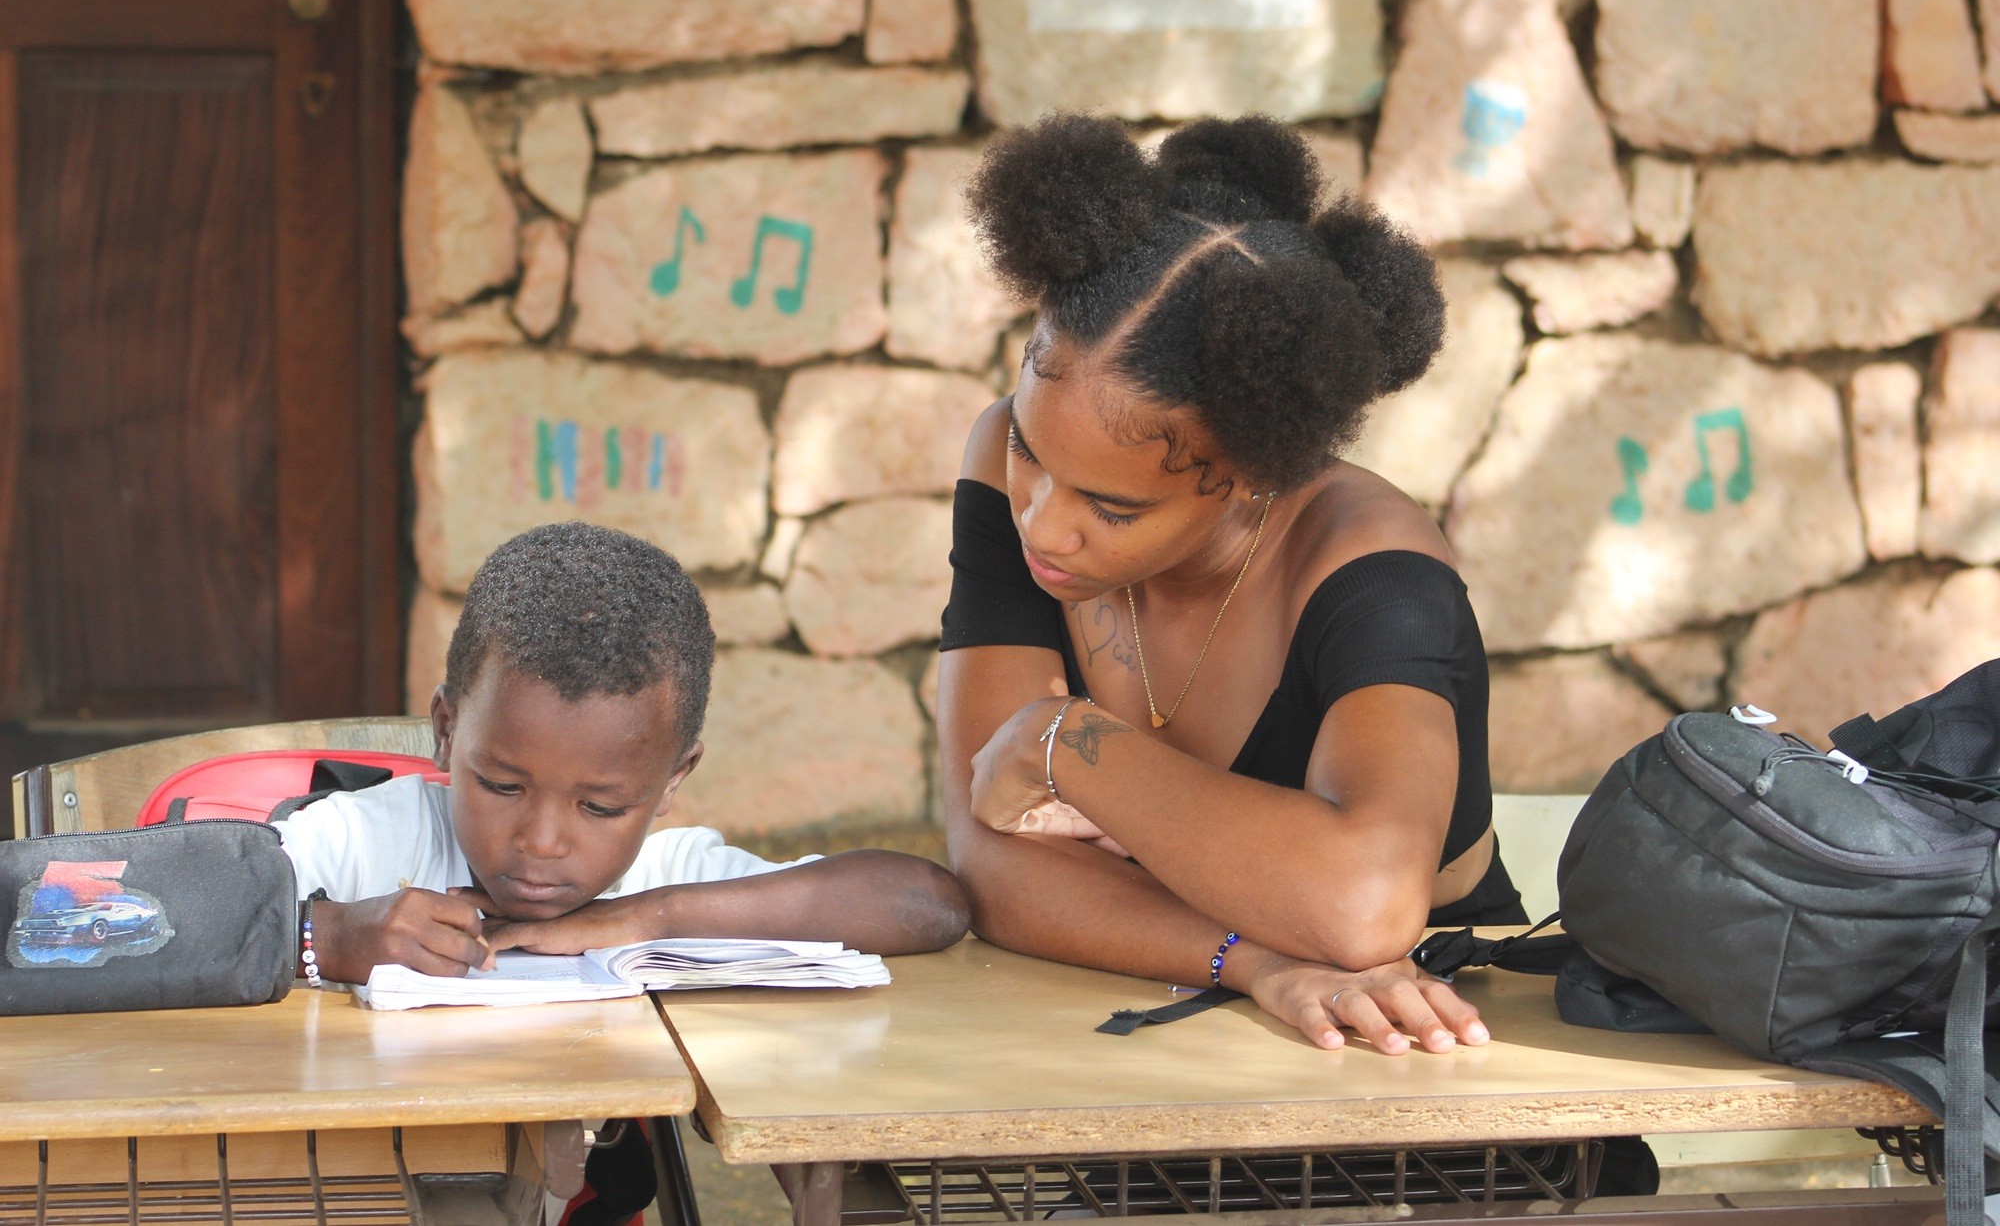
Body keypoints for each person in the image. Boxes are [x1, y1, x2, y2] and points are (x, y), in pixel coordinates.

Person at [939, 113, 1516, 1058]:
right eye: (1028, 452)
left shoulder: (1375, 570)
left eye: (1111, 508)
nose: (1040, 522)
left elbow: (1363, 907)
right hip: (1161, 1027)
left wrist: (1062, 739)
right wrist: (1255, 962)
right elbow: (990, 862)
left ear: (1253, 474)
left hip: (1430, 1046)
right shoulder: (1010, 469)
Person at [279, 521, 970, 985]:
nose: (541, 841)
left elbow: (928, 903)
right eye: (501, 785)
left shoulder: (665, 877)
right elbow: (205, 908)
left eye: (601, 807)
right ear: (446, 730)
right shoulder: (363, 843)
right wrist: (326, 935)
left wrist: (640, 918)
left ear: (672, 780)